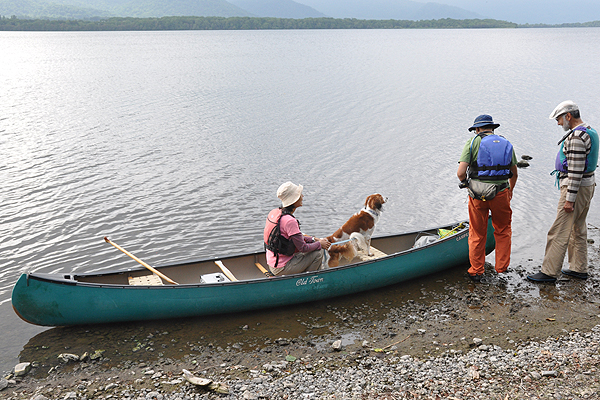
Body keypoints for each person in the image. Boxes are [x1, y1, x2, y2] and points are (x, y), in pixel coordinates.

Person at [528, 101, 598, 283]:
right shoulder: (589, 130)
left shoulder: (576, 137)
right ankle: (578, 268)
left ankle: (549, 272)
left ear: (568, 116)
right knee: (578, 228)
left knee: (558, 230)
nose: (558, 123)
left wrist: (570, 199)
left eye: (559, 119)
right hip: (588, 185)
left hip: (576, 188)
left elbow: (575, 171)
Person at [457, 114, 518, 282]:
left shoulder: (472, 143)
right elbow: (514, 173)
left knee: (477, 232)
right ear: (493, 128)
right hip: (501, 193)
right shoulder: (506, 143)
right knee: (503, 230)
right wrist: (510, 191)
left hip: (477, 194)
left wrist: (466, 184)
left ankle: (476, 270)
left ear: (477, 129)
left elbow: (461, 173)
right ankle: (501, 268)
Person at [263, 181, 331, 276]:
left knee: (313, 247)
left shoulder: (275, 213)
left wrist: (313, 239)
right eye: (299, 195)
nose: (302, 196)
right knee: (318, 253)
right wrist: (320, 244)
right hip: (281, 268)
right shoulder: (290, 221)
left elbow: (295, 239)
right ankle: (309, 280)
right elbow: (303, 248)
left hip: (273, 263)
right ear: (294, 200)